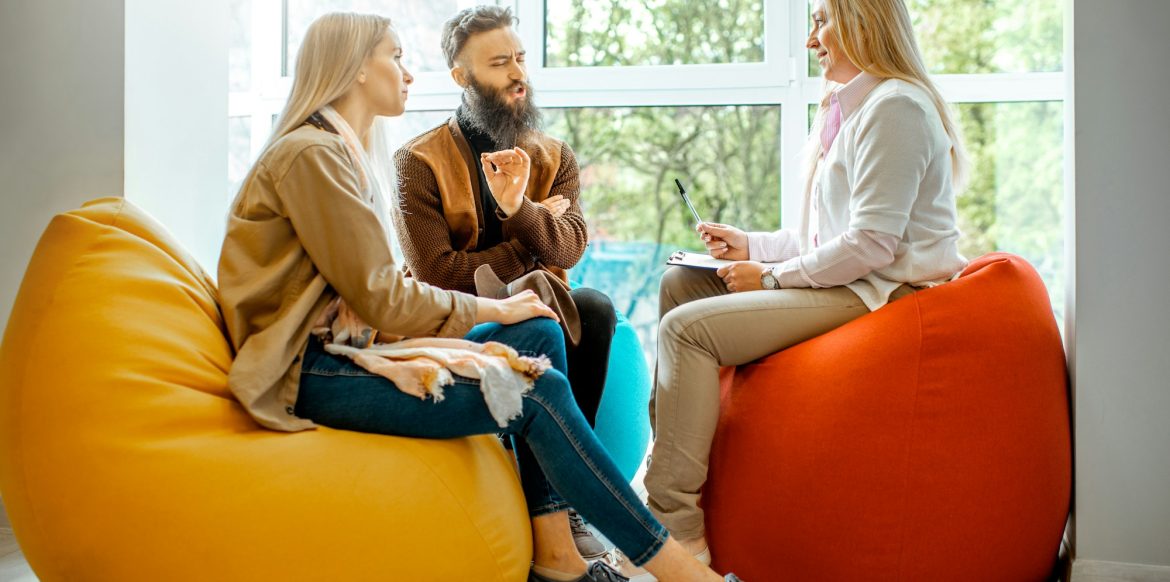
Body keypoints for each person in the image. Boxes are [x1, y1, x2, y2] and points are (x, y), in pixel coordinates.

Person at [217, 12, 739, 582]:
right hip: (311, 370)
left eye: (521, 59)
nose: (406, 73)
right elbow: (406, 290)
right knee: (538, 390)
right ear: (357, 68)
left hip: (352, 348)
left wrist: (519, 221)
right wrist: (510, 281)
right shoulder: (330, 157)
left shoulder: (342, 153)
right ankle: (682, 573)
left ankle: (555, 549)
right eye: (394, 57)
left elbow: (566, 249)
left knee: (545, 329)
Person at [632, 0, 970, 575]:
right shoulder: (847, 108)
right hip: (855, 279)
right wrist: (751, 246)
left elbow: (870, 247)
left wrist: (767, 277)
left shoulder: (897, 109)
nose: (812, 38)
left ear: (862, 23)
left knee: (686, 330)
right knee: (683, 283)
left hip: (883, 295)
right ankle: (675, 470)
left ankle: (675, 535)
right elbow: (823, 237)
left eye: (820, 21)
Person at [392, 5, 617, 559]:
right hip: (455, 314)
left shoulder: (554, 155)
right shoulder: (416, 161)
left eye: (520, 58)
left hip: (539, 304)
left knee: (591, 308)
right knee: (537, 317)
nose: (518, 73)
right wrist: (528, 232)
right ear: (462, 77)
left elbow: (568, 249)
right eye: (499, 63)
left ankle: (566, 503)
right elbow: (435, 274)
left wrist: (518, 207)